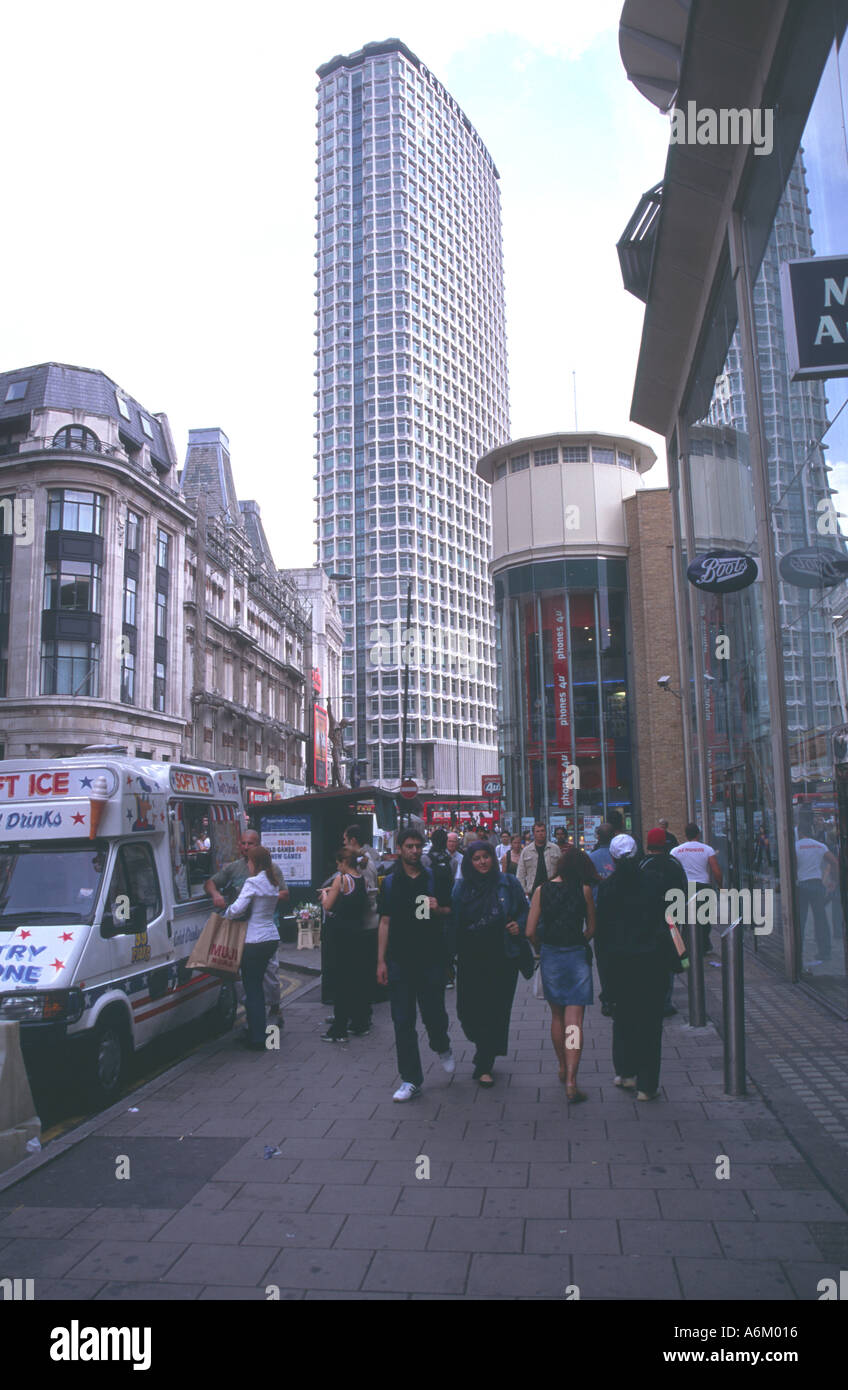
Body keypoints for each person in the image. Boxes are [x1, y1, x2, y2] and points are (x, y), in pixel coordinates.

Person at [596, 834, 680, 1100]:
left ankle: (625, 1072)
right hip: (652, 963)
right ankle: (647, 1084)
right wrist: (681, 957)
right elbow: (670, 923)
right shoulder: (654, 884)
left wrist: (605, 977)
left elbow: (603, 937)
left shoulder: (608, 889)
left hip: (620, 965)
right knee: (651, 1024)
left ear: (612, 858)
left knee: (623, 1020)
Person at [376, 827, 454, 1102]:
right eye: (409, 846)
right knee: (402, 1021)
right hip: (399, 960)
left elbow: (451, 909)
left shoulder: (434, 877)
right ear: (399, 848)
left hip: (430, 957)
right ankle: (411, 1079)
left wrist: (439, 907)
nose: (414, 851)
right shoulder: (389, 883)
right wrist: (380, 961)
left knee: (434, 1014)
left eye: (418, 846)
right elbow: (384, 922)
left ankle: (441, 1044)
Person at [451, 841, 529, 1087]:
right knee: (467, 1011)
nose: (483, 862)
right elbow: (453, 921)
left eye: (486, 857)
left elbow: (524, 911)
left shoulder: (509, 883)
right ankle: (482, 1044)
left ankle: (484, 1063)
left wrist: (520, 925)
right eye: (477, 858)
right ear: (469, 862)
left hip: (502, 957)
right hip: (470, 957)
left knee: (495, 1011)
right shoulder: (461, 888)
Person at [525, 846, 595, 1101]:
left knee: (557, 1017)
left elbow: (530, 930)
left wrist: (540, 948)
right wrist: (580, 940)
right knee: (574, 1022)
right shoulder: (584, 890)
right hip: (576, 955)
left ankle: (562, 1065)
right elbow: (591, 927)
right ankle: (572, 1080)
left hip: (551, 956)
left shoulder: (542, 890)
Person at [206, 829, 289, 1021]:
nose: (245, 847)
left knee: (269, 975)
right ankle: (254, 1020)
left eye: (249, 844)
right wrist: (216, 894)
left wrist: (261, 898)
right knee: (246, 980)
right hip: (242, 930)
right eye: (242, 843)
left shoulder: (271, 870)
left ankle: (273, 1010)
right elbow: (211, 882)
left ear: (257, 845)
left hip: (262, 929)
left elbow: (285, 894)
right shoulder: (233, 868)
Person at [221, 845, 285, 1050]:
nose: (247, 865)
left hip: (254, 940)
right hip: (271, 938)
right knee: (258, 985)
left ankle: (257, 1037)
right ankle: (261, 1031)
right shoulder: (272, 882)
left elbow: (238, 909)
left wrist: (227, 912)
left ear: (255, 863)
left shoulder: (253, 882)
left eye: (248, 861)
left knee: (253, 989)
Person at [320, 847, 371, 1041]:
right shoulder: (363, 880)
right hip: (359, 935)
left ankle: (338, 1030)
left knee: (341, 982)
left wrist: (325, 894)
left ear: (343, 862)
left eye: (338, 863)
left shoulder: (341, 880)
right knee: (356, 980)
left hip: (341, 936)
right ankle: (359, 1023)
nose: (337, 866)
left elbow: (327, 905)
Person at [641, 828, 688, 1017]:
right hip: (672, 919)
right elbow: (684, 889)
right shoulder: (674, 864)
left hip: (649, 920)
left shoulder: (644, 864)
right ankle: (666, 1001)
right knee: (670, 958)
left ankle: (651, 997)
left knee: (650, 958)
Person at [342, 824, 380, 1029]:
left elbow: (364, 894)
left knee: (360, 973)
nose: (344, 843)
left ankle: (361, 1017)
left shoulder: (363, 864)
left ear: (353, 841)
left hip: (364, 924)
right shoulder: (366, 860)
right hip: (367, 923)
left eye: (345, 840)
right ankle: (357, 1013)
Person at [670, 822, 723, 955]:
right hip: (703, 886)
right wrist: (720, 886)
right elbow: (716, 871)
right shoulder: (707, 849)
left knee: (685, 918)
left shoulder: (676, 851)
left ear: (686, 835)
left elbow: (673, 870)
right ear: (698, 834)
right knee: (704, 919)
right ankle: (704, 945)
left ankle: (686, 945)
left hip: (686, 887)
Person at [795, 812, 838, 965]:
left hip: (802, 885)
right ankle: (825, 951)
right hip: (817, 884)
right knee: (821, 919)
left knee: (800, 919)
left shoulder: (796, 846)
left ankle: (797, 951)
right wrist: (834, 880)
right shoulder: (820, 845)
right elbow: (834, 861)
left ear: (800, 832)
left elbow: (793, 866)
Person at [422, 827, 458, 988]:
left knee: (427, 938)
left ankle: (430, 972)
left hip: (426, 903)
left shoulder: (425, 859)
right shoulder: (452, 861)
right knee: (447, 940)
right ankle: (449, 975)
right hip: (447, 905)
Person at [517, 821, 560, 898]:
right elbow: (521, 873)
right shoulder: (526, 851)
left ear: (546, 832)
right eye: (538, 831)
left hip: (553, 890)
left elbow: (561, 870)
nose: (540, 833)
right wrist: (523, 891)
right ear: (534, 834)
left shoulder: (555, 849)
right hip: (532, 891)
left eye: (542, 831)